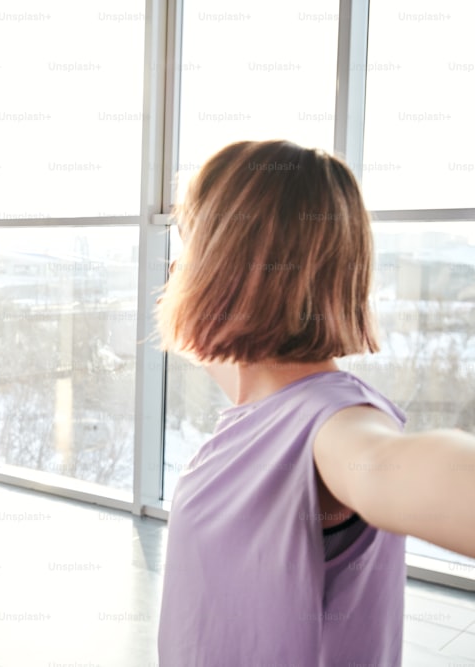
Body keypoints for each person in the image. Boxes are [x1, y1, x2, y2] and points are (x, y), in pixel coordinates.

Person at [155, 139, 475, 665]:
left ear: (230, 268)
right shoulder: (264, 407)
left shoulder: (332, 427)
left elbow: (391, 467)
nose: (178, 267)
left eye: (191, 246)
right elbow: (232, 366)